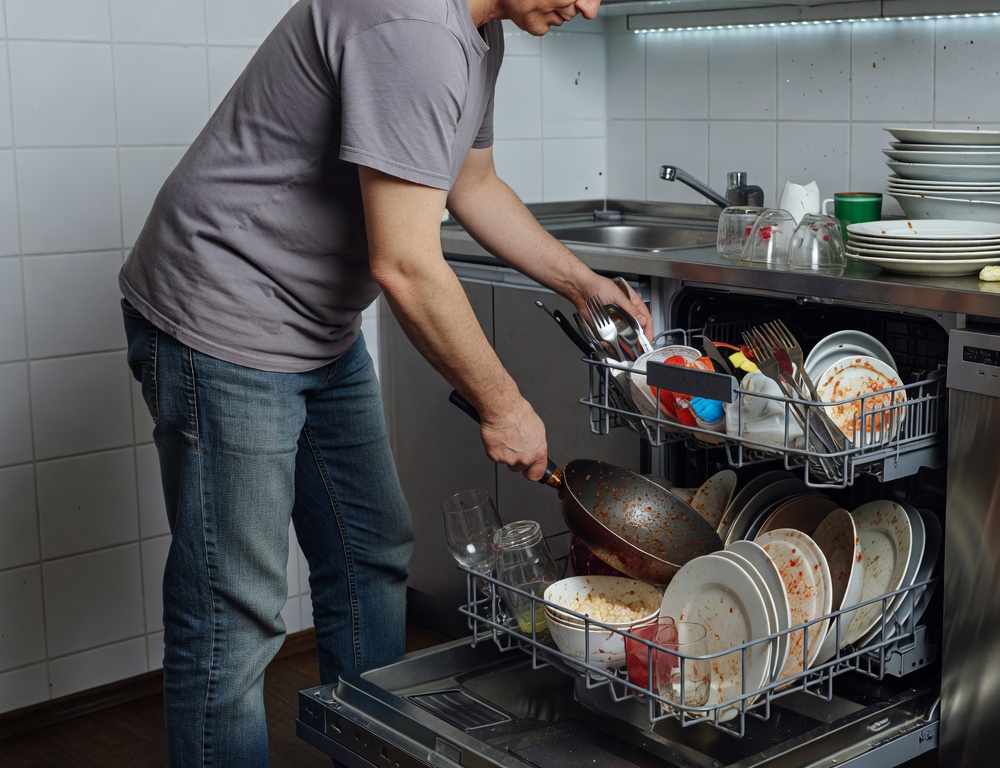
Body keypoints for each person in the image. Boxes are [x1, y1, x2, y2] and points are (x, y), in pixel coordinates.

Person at [116, 0, 645, 765]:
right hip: (222, 322)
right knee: (233, 615)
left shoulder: (477, 31)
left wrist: (580, 281)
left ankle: (369, 752)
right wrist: (505, 406)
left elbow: (476, 183)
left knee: (370, 549)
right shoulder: (418, 31)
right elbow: (404, 262)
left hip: (313, 326)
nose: (591, 6)